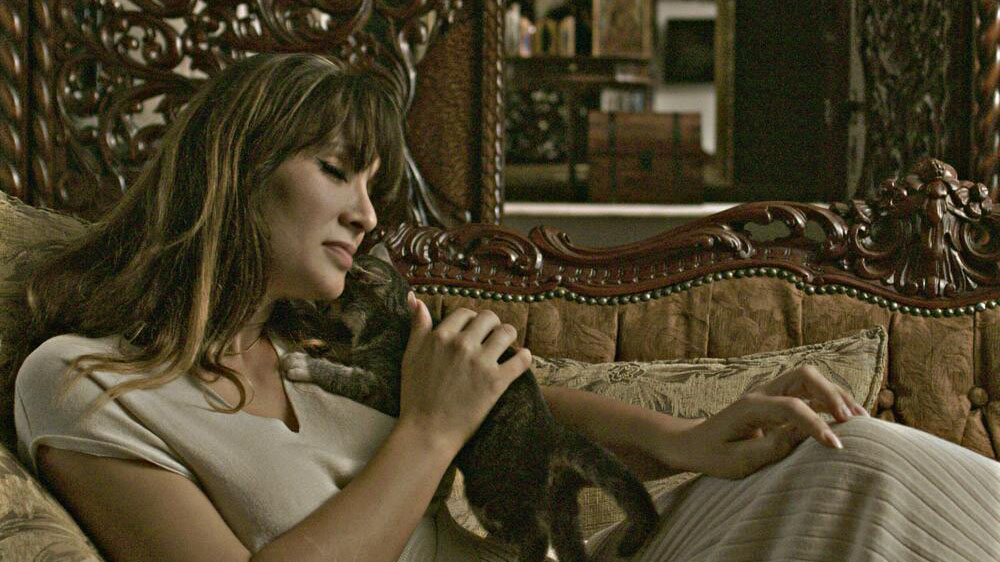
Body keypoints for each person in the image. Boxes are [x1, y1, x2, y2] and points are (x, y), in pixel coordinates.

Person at [12, 53, 999, 562]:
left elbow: (517, 396)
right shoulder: (88, 384)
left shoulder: (315, 347)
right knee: (867, 475)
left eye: (371, 187)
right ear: (238, 170)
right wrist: (428, 432)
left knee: (854, 460)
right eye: (337, 173)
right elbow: (447, 414)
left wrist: (691, 440)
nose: (366, 216)